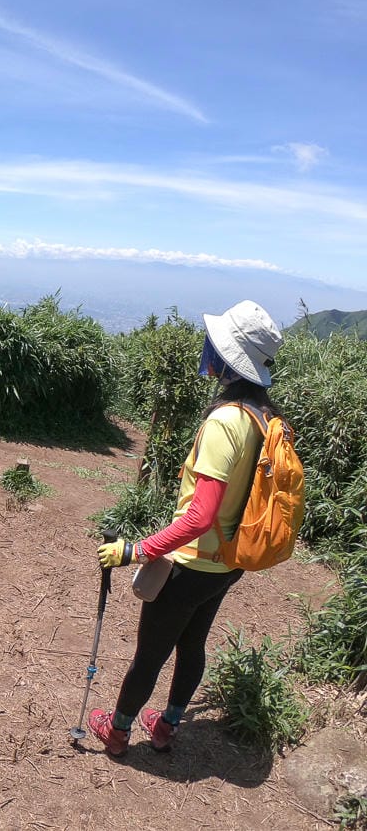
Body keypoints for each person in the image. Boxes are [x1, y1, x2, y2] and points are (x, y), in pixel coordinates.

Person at [88, 300, 285, 757]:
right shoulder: (265, 419)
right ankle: (167, 725)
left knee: (151, 654)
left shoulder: (225, 423)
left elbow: (199, 517)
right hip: (227, 563)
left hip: (190, 565)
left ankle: (117, 732)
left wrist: (134, 551)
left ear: (226, 358)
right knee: (193, 643)